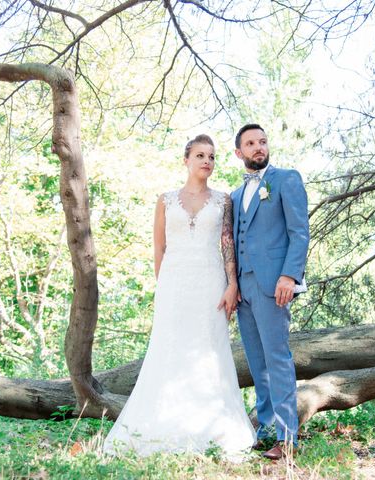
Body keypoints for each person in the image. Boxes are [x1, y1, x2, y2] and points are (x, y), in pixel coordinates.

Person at [103, 134, 256, 459]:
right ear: (186, 159)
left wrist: (232, 284)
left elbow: (227, 244)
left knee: (208, 351)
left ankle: (211, 427)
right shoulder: (166, 200)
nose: (207, 161)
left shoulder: (223, 201)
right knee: (169, 349)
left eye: (212, 157)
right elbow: (159, 248)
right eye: (200, 155)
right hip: (174, 285)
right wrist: (166, 284)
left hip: (210, 286)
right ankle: (163, 424)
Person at [231, 124, 309, 460]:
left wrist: (289, 276)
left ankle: (287, 436)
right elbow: (232, 242)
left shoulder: (286, 179)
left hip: (274, 283)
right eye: (250, 143)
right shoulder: (234, 196)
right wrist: (231, 285)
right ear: (239, 153)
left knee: (277, 358)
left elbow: (299, 231)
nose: (258, 147)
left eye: (262, 141)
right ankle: (265, 429)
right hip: (243, 286)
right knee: (256, 361)